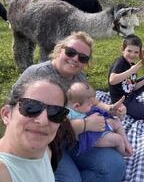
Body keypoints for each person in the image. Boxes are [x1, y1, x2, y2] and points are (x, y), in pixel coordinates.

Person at [13, 31, 126, 182]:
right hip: (45, 143)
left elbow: (90, 102)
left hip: (73, 140)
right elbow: (18, 114)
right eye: (71, 52)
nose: (75, 59)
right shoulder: (37, 74)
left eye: (82, 57)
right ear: (60, 50)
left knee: (116, 166)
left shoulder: (79, 77)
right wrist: (84, 125)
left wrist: (111, 109)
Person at [0, 77, 69, 182]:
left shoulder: (45, 151)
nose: (43, 121)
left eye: (56, 112)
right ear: (6, 114)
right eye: (31, 107)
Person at [67, 82, 133, 157]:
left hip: (96, 126)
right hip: (88, 137)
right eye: (89, 105)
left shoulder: (82, 107)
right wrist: (85, 124)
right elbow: (65, 127)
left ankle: (126, 143)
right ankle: (123, 153)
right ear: (76, 106)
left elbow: (96, 103)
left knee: (116, 122)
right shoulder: (69, 113)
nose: (91, 106)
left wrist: (110, 108)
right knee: (118, 139)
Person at [109, 34, 144, 121]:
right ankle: (126, 109)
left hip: (130, 93)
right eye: (129, 51)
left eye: (136, 52)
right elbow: (112, 80)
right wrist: (130, 71)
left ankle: (138, 100)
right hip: (122, 100)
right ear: (122, 50)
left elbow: (133, 87)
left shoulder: (132, 65)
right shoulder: (120, 62)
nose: (132, 54)